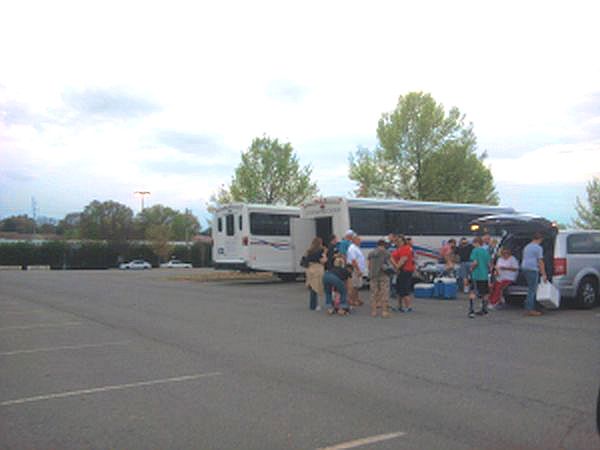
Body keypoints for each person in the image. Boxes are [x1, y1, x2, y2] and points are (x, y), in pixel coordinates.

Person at [520, 232, 547, 317]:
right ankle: (530, 309)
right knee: (532, 290)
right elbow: (540, 261)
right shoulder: (538, 248)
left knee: (530, 288)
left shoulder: (527, 246)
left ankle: (530, 307)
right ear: (540, 239)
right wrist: (544, 274)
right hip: (532, 269)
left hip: (524, 267)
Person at [368, 239, 392, 318]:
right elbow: (390, 262)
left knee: (373, 293)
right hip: (383, 275)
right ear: (384, 245)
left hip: (373, 275)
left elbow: (369, 265)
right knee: (384, 293)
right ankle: (384, 312)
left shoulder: (371, 253)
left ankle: (374, 311)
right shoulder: (386, 253)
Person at [391, 235, 415, 312]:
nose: (398, 242)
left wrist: (396, 267)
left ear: (403, 241)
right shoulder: (398, 249)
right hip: (400, 271)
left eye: (399, 241)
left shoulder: (406, 248)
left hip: (405, 270)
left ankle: (408, 307)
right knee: (399, 289)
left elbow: (403, 260)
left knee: (404, 289)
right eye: (397, 241)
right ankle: (399, 306)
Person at [468, 236, 491, 318]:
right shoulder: (486, 251)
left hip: (476, 275)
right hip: (484, 275)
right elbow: (489, 264)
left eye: (474, 243)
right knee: (485, 293)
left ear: (476, 243)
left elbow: (475, 262)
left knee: (472, 292)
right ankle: (484, 310)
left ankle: (472, 310)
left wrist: (471, 268)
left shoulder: (475, 251)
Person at [304, 237, 326, 311]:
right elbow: (323, 260)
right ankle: (315, 305)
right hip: (317, 269)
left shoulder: (309, 251)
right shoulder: (321, 251)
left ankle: (312, 305)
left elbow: (305, 260)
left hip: (310, 269)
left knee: (312, 287)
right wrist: (325, 255)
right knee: (317, 287)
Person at [346, 234, 366, 306]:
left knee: (357, 286)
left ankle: (356, 299)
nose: (360, 241)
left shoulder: (356, 248)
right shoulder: (352, 248)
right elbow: (353, 261)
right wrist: (358, 270)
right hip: (354, 269)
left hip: (357, 269)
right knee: (354, 286)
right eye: (358, 240)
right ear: (354, 240)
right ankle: (352, 300)